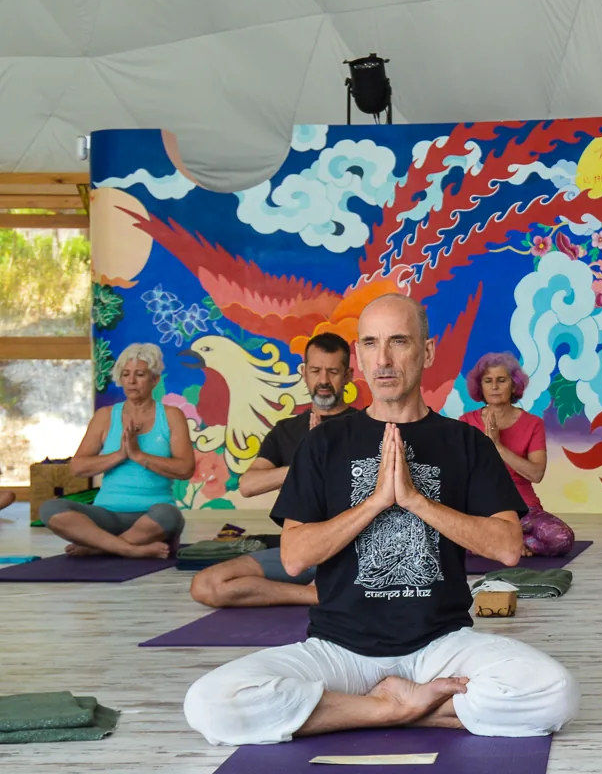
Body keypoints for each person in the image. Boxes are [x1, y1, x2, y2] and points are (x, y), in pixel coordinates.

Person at [183, 295, 579, 745]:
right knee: (210, 702)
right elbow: (294, 557)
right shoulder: (323, 444)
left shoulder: (466, 443)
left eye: (398, 342)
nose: (384, 359)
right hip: (340, 651)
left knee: (555, 693)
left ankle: (378, 708)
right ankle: (391, 706)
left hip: (440, 645)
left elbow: (508, 546)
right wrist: (373, 504)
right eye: (371, 344)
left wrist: (416, 502)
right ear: (359, 356)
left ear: (427, 352)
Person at [189, 333, 354, 608]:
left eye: (333, 371)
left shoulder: (364, 426)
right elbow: (248, 485)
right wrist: (306, 462)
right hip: (296, 551)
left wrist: (328, 461)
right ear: (304, 373)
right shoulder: (286, 431)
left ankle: (330, 586)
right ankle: (316, 594)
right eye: (315, 371)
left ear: (347, 375)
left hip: (350, 552)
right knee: (206, 585)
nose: (323, 380)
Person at [44, 343, 193, 558]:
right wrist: (120, 455)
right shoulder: (105, 416)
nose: (131, 381)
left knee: (170, 516)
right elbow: (78, 467)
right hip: (105, 516)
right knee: (51, 509)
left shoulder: (171, 416)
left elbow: (185, 468)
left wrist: (139, 456)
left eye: (140, 374)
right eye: (126, 374)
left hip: (151, 517)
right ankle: (129, 549)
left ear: (155, 380)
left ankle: (97, 547)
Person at [458, 351, 574, 557]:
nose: (494, 387)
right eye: (488, 381)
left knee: (562, 538)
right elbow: (459, 474)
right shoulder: (466, 422)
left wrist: (498, 447)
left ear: (514, 385)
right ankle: (510, 542)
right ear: (480, 386)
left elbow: (536, 474)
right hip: (483, 511)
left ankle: (509, 541)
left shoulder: (533, 424)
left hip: (524, 510)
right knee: (446, 536)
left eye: (501, 380)